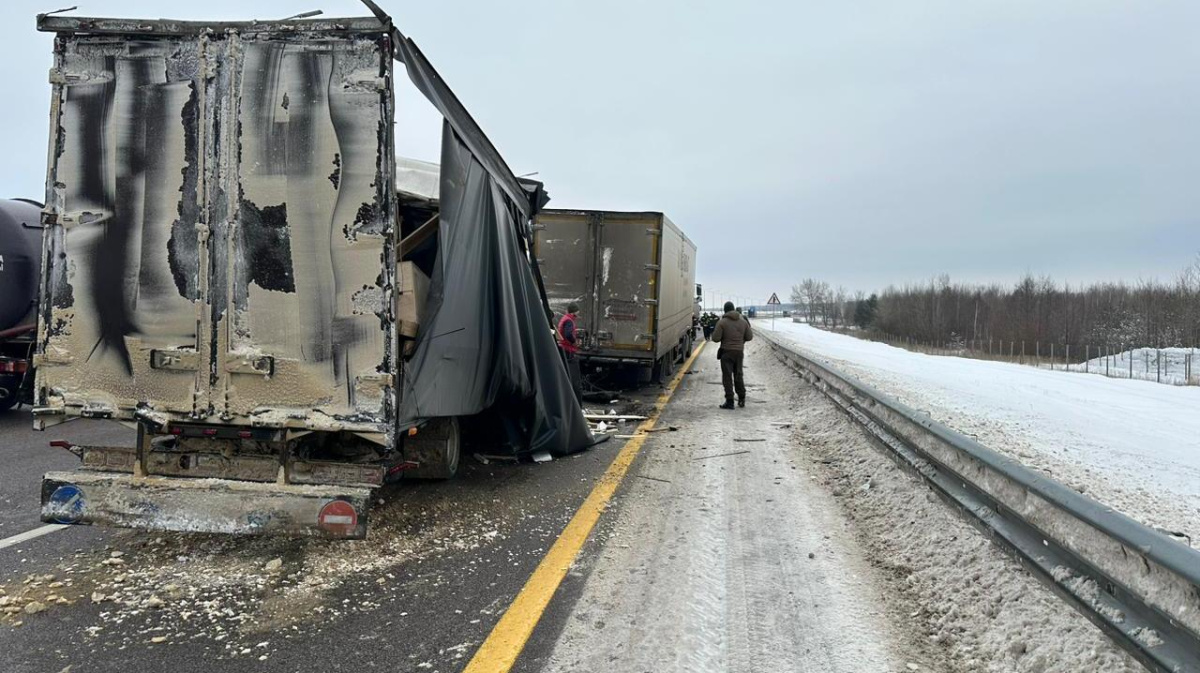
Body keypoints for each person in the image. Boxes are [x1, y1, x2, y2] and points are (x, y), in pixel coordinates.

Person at [710, 301, 753, 409]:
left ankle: (730, 401)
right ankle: (742, 399)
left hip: (726, 352)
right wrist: (740, 340)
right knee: (738, 375)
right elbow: (749, 337)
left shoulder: (722, 322)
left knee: (727, 376)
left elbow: (715, 338)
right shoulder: (743, 322)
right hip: (739, 352)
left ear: (725, 310)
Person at [557, 302, 583, 404]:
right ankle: (574, 402)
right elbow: (568, 334)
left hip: (563, 349)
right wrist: (574, 342)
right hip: (567, 350)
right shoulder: (569, 321)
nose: (578, 313)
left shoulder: (565, 318)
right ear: (574, 312)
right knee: (572, 376)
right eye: (577, 311)